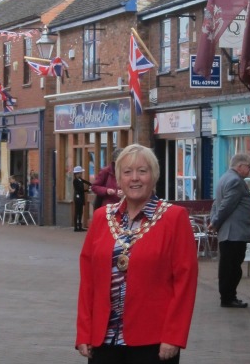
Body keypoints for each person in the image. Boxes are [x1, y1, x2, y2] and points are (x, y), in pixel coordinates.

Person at [76, 144, 198, 363]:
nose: (135, 178)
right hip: (104, 340)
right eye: (127, 172)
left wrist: (174, 336)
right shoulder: (103, 217)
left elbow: (185, 282)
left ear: (154, 177)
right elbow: (88, 281)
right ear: (118, 179)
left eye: (143, 171)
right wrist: (84, 332)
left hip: (153, 341)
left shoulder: (174, 218)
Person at [209, 153, 250, 309]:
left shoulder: (224, 178)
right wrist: (215, 222)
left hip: (229, 232)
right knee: (232, 267)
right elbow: (226, 205)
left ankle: (227, 296)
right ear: (240, 167)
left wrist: (213, 220)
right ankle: (229, 297)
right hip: (234, 233)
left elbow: (216, 203)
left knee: (228, 265)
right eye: (249, 167)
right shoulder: (236, 181)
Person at [72, 166, 91, 232]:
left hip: (80, 198)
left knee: (80, 212)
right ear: (77, 174)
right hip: (77, 198)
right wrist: (87, 190)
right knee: (77, 212)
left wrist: (92, 185)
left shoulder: (80, 179)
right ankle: (76, 227)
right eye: (80, 173)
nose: (81, 174)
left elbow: (86, 182)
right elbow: (79, 190)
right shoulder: (75, 181)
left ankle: (80, 226)